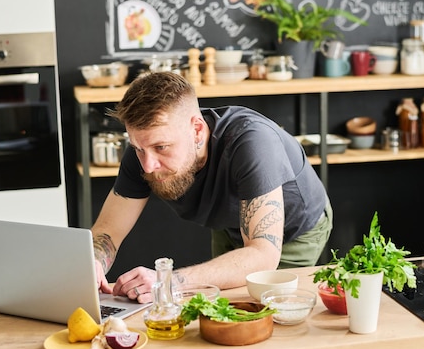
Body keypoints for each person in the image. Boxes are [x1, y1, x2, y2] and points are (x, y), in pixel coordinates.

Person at [93, 71, 333, 303]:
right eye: (138, 148)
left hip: (294, 230)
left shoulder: (252, 143)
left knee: (267, 309)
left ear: (196, 129)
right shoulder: (145, 150)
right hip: (230, 221)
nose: (147, 166)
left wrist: (168, 280)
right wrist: (93, 263)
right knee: (222, 305)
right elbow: (108, 230)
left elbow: (263, 255)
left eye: (162, 147)